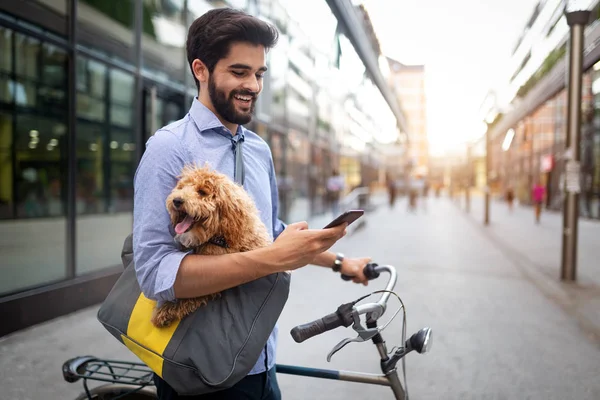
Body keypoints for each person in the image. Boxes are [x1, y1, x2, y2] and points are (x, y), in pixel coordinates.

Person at [132, 8, 370, 400]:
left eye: (259, 74)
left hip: (259, 358)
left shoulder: (259, 149)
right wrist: (275, 258)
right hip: (198, 367)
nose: (254, 85)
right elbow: (156, 273)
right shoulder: (169, 148)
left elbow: (268, 236)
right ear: (201, 70)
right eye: (240, 72)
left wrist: (342, 262)